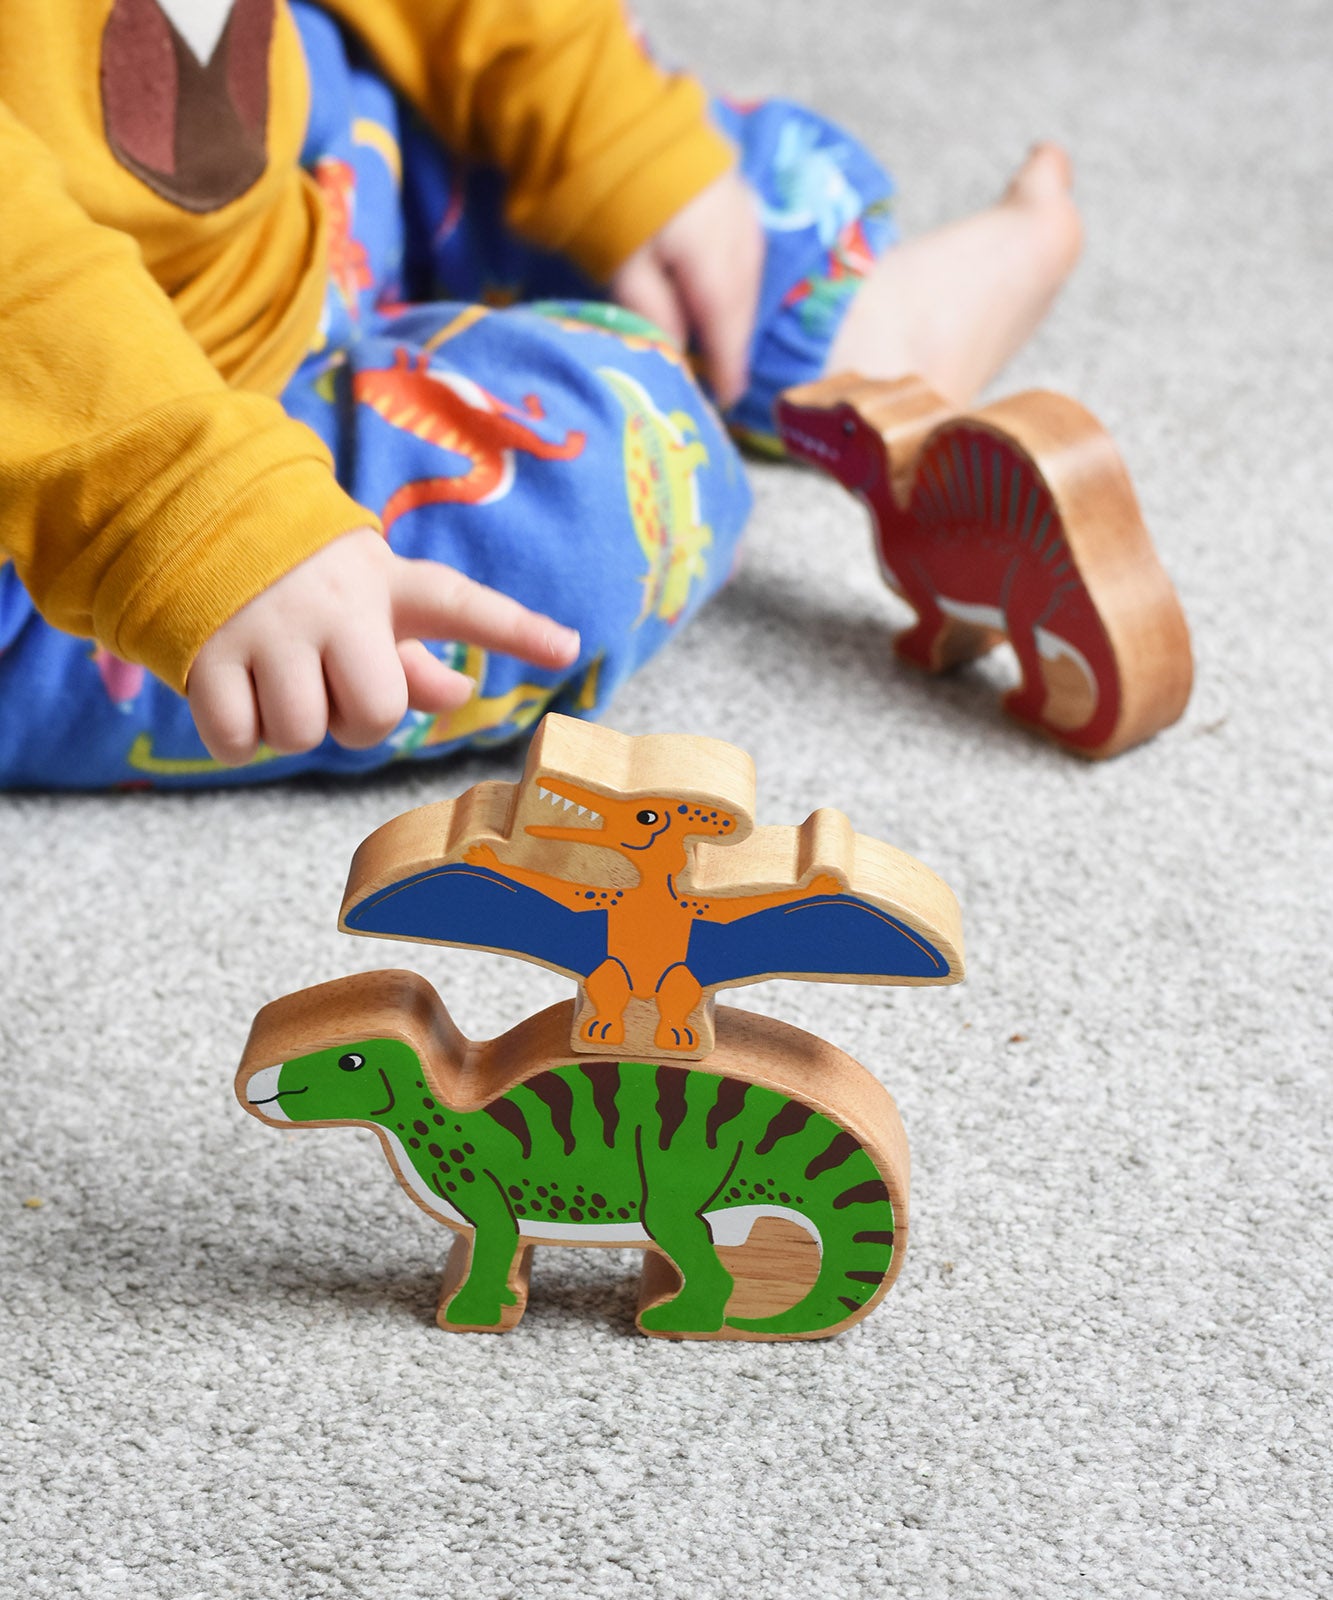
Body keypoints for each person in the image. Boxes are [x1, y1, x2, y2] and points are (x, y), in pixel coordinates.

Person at [0, 0, 1080, 788]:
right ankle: (750, 370)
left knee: (687, 159)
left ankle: (831, 338)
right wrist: (194, 516)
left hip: (274, 188)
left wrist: (610, 133)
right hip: (67, 508)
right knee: (590, 508)